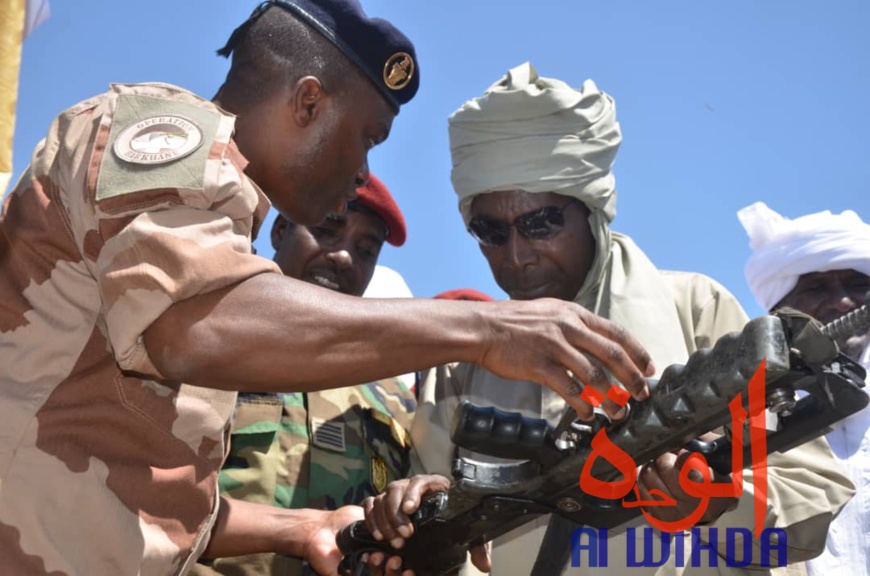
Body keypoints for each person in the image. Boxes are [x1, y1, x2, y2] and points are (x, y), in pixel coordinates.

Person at [0, 4, 658, 575]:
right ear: (308, 102)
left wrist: (300, 527)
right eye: (368, 138)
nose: (364, 171)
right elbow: (195, 325)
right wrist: (484, 331)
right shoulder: (162, 131)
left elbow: (140, 493)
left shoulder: (214, 240)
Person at [371, 63, 855, 576]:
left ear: (592, 212)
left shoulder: (697, 309)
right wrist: (424, 511)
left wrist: (717, 504)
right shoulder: (461, 367)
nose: (516, 256)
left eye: (540, 223)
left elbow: (812, 503)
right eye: (490, 232)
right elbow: (433, 533)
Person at [194, 174, 416, 576]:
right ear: (280, 230)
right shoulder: (200, 340)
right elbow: (137, 495)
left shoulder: (393, 396)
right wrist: (298, 530)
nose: (344, 257)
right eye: (327, 231)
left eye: (366, 250)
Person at [739, 201, 870, 576]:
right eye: (816, 288)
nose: (843, 302)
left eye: (858, 284)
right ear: (778, 312)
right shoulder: (744, 417)